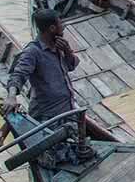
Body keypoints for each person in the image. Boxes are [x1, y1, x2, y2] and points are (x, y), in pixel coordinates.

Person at [6, 8, 92, 164]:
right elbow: (18, 75)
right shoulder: (33, 52)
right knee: (53, 159)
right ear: (52, 28)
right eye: (60, 23)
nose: (63, 27)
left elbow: (71, 65)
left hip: (67, 110)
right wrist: (12, 96)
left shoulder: (58, 45)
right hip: (48, 118)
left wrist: (67, 50)